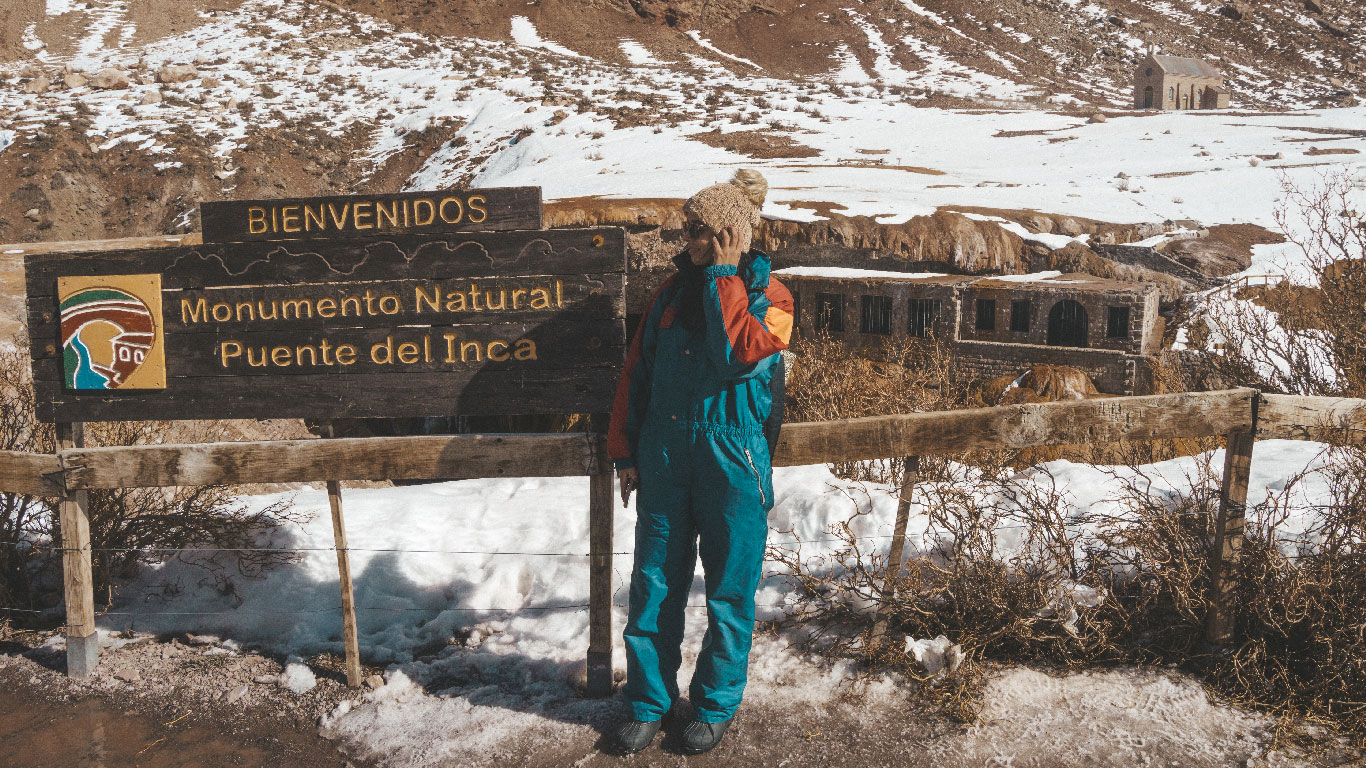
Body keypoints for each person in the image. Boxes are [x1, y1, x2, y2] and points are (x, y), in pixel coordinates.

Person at [607, 169, 794, 755]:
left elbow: (738, 353)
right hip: (665, 454)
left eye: (700, 233)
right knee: (654, 587)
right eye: (689, 232)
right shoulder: (667, 296)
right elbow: (636, 374)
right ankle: (647, 702)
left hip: (734, 458)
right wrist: (625, 453)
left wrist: (722, 275)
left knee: (729, 591)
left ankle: (714, 705)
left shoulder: (776, 299)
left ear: (730, 234)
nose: (688, 244)